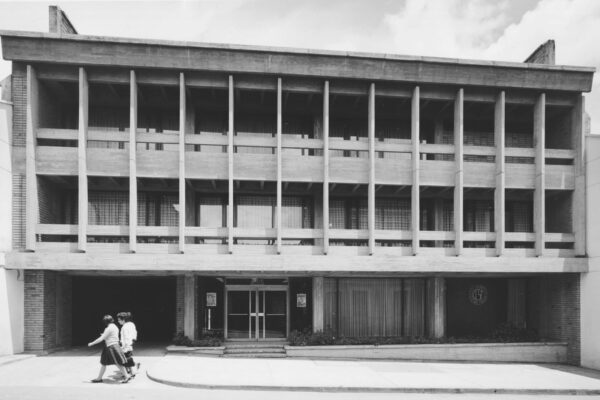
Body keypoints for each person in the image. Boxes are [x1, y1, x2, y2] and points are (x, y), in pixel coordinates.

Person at [88, 315, 132, 383]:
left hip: (112, 347)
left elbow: (101, 339)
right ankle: (99, 378)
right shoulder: (114, 326)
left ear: (105, 322)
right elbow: (110, 336)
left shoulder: (109, 328)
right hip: (111, 346)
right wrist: (104, 335)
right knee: (104, 362)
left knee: (117, 363)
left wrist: (92, 343)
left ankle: (127, 376)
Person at [117, 311, 140, 377]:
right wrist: (133, 340)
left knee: (127, 360)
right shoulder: (131, 324)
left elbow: (126, 338)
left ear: (123, 320)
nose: (118, 321)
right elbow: (135, 333)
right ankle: (132, 371)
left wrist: (124, 347)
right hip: (131, 343)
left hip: (126, 345)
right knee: (128, 359)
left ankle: (132, 372)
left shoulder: (124, 327)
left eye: (119, 320)